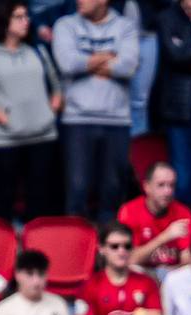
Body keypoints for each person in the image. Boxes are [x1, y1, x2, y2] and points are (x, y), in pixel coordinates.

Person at [49, 0, 140, 223]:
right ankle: (75, 249)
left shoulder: (125, 26)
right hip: (77, 120)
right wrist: (108, 57)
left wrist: (87, 62)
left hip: (117, 121)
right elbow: (67, 63)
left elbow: (128, 66)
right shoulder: (65, 25)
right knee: (77, 190)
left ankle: (108, 252)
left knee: (112, 191)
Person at [0, 0, 63, 221]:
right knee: (4, 200)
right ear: (5, 21)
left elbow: (57, 86)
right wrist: (4, 118)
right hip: (4, 140)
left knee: (40, 200)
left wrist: (50, 111)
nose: (26, 21)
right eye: (19, 17)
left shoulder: (38, 51)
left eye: (26, 16)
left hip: (42, 136)